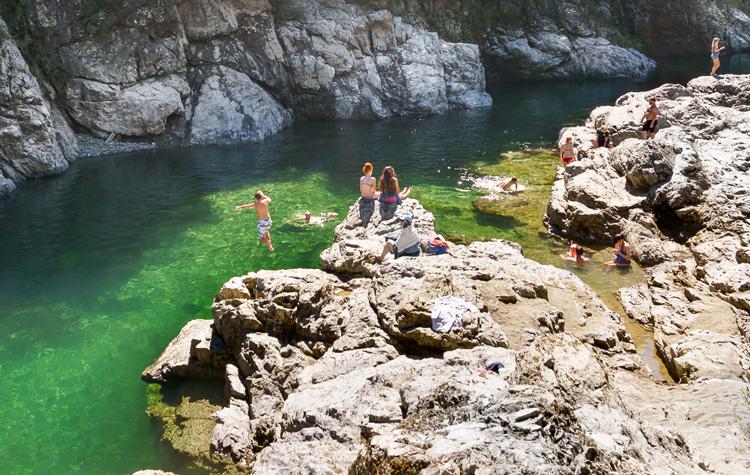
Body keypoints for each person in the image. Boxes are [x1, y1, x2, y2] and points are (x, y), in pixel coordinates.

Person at [359, 162, 378, 227]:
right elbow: (374, 190)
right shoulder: (373, 179)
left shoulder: (361, 178)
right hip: (369, 197)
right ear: (370, 170)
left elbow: (361, 189)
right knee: (381, 193)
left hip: (363, 196)